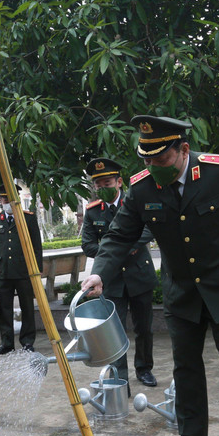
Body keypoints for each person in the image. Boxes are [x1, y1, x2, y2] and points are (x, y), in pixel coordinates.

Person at [81, 115, 219, 436]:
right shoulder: (143, 187)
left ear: (183, 149)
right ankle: (192, 435)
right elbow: (120, 235)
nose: (153, 167)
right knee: (185, 367)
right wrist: (99, 272)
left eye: (161, 159)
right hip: (182, 291)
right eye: (147, 160)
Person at [81, 157, 158, 388]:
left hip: (139, 275)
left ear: (119, 182)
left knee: (144, 328)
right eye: (98, 185)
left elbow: (149, 229)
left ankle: (144, 369)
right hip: (112, 280)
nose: (102, 188)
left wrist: (123, 248)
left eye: (107, 183)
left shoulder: (134, 202)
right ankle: (119, 376)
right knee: (115, 331)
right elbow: (88, 245)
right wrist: (113, 252)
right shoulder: (93, 212)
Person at [0, 188, 43, 354]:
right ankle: (6, 343)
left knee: (27, 307)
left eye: (10, 199)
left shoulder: (28, 218)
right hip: (3, 271)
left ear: (16, 199)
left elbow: (36, 246)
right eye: (5, 200)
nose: (8, 203)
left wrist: (37, 269)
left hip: (24, 271)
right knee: (5, 309)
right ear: (1, 201)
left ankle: (27, 342)